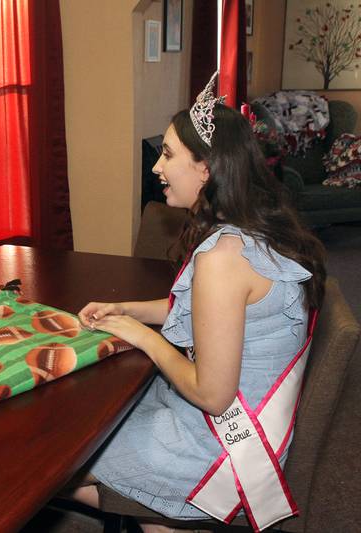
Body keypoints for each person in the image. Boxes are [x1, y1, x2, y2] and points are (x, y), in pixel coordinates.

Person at [71, 73, 326, 531]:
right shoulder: (254, 227)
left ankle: (159, 511)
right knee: (103, 420)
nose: (156, 167)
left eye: (168, 155)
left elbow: (212, 394)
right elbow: (213, 317)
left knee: (66, 455)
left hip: (221, 448)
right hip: (232, 423)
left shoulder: (224, 257)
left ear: (206, 169)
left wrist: (140, 338)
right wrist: (131, 310)